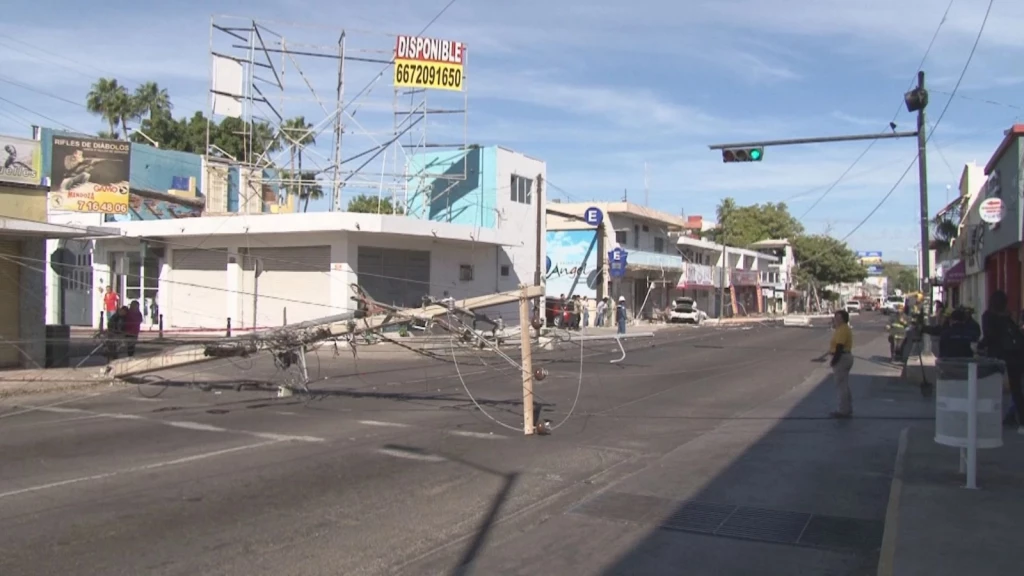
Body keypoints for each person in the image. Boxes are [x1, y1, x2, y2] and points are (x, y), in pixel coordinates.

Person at [979, 290, 1024, 433]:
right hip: (1016, 356)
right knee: (1016, 389)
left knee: (990, 388)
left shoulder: (988, 316)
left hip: (997, 356)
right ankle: (1021, 421)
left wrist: (979, 346)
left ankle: (990, 418)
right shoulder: (1008, 317)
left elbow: (989, 336)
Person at [827, 309, 855, 418]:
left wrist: (834, 361)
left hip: (842, 358)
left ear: (843, 319)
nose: (835, 320)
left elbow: (839, 346)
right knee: (844, 385)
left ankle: (843, 410)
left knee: (841, 386)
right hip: (844, 356)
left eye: (838, 318)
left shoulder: (843, 329)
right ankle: (847, 408)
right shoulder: (842, 329)